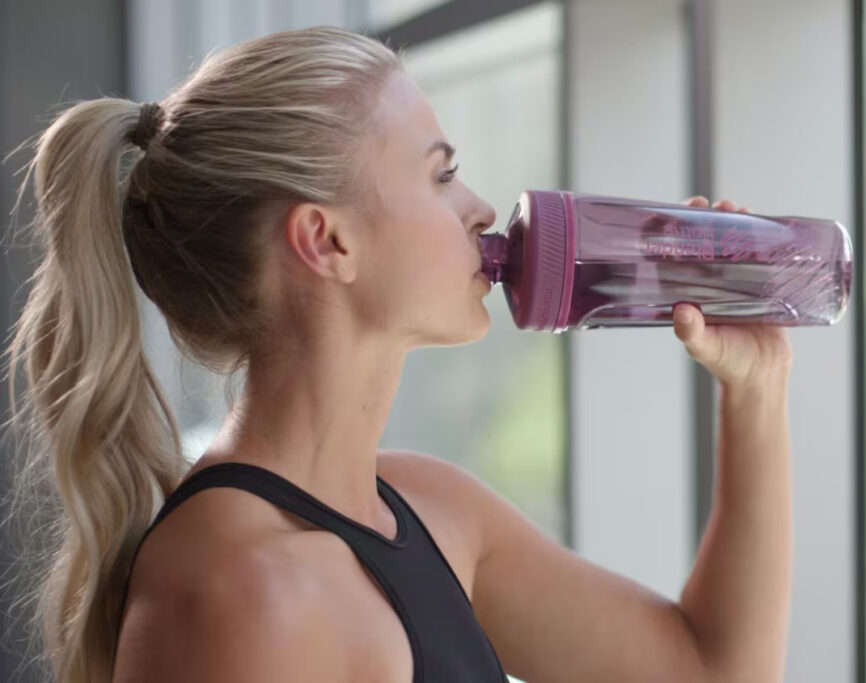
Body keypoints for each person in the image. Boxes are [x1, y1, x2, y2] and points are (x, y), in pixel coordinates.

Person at [2, 26, 793, 683]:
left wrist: (755, 393)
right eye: (441, 174)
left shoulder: (431, 507)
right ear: (327, 240)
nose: (480, 208)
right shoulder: (243, 597)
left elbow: (711, 666)